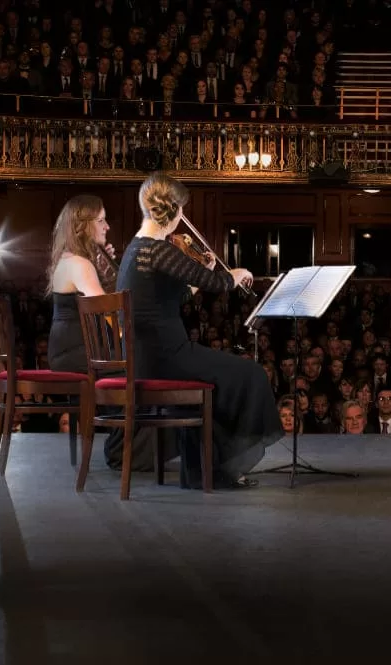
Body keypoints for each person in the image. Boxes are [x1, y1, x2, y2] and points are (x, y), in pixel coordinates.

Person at [116, 172, 281, 489]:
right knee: (250, 374)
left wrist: (201, 272)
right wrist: (237, 273)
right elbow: (218, 283)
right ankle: (226, 464)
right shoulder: (159, 250)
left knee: (224, 379)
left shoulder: (136, 250)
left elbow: (176, 296)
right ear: (174, 209)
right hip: (168, 357)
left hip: (151, 356)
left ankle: (209, 468)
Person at [45, 194, 115, 373]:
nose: (107, 226)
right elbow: (110, 311)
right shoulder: (79, 264)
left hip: (72, 352)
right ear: (83, 226)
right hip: (75, 355)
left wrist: (104, 267)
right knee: (145, 359)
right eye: (100, 220)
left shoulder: (72, 259)